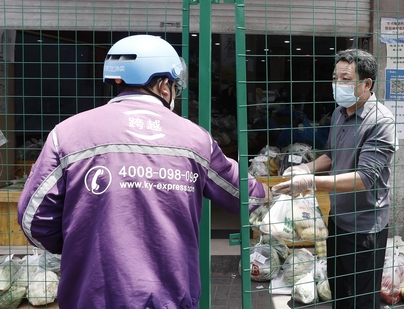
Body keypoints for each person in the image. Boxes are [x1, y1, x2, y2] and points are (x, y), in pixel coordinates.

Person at [17, 34, 269, 309]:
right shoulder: (196, 140)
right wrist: (265, 190)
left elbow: (33, 219)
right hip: (170, 298)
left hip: (90, 296)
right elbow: (243, 195)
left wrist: (82, 245)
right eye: (174, 86)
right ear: (163, 85)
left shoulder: (66, 134)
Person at [272, 48, 397, 309]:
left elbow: (366, 177)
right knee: (339, 290)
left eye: (345, 79)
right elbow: (332, 155)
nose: (337, 85)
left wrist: (311, 183)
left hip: (365, 225)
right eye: (335, 78)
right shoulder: (340, 112)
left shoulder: (381, 121)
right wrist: (306, 168)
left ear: (366, 84)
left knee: (362, 299)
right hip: (338, 218)